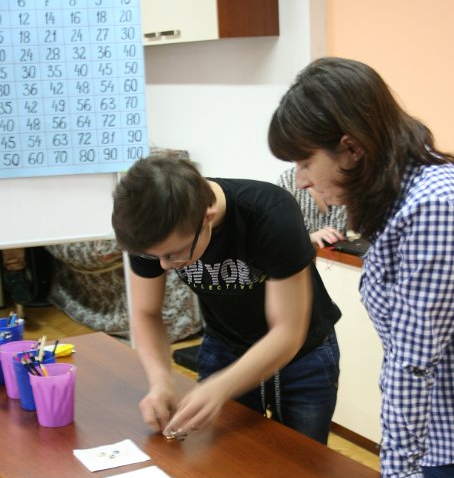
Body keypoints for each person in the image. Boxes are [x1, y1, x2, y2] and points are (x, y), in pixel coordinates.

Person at [268, 56, 454, 478]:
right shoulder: (402, 196)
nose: (301, 180)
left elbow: (412, 358)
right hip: (442, 433)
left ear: (350, 149)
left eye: (305, 162)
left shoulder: (434, 206)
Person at [112, 155, 341, 444]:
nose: (164, 266)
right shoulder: (152, 228)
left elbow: (287, 331)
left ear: (207, 216)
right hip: (225, 346)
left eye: (174, 254)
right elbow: (146, 312)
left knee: (302, 460)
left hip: (303, 356)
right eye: (153, 256)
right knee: (227, 460)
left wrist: (220, 387)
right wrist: (160, 380)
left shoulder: (270, 213)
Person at [277, 165, 347, 248]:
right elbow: (278, 238)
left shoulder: (344, 179)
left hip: (335, 254)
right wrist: (309, 238)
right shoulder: (288, 181)